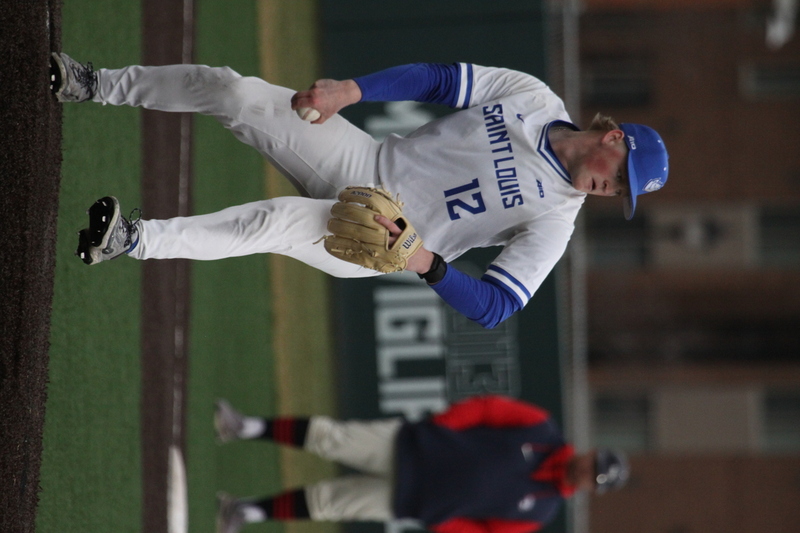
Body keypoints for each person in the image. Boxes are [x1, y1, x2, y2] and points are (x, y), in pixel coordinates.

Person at [50, 53, 669, 328]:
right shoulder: (535, 98)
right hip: (364, 156)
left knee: (275, 220)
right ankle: (91, 83)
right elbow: (439, 80)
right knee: (232, 91)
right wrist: (351, 91)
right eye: (622, 174)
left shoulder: (556, 219)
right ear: (611, 136)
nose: (613, 188)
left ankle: (132, 240)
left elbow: (498, 306)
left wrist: (423, 260)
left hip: (377, 237)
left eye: (622, 192)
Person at [211, 394, 629, 533]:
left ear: (593, 487)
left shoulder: (540, 510)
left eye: (596, 478)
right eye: (595, 464)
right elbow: (487, 408)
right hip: (411, 446)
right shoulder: (541, 429)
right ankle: (244, 427)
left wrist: (442, 520)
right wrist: (443, 426)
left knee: (328, 504)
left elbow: (480, 532)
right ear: (592, 452)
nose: (588, 472)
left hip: (412, 500)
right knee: (330, 437)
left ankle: (246, 511)